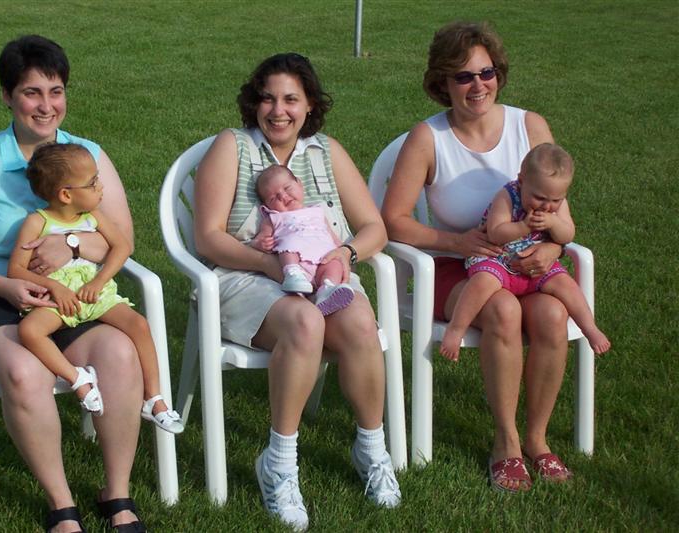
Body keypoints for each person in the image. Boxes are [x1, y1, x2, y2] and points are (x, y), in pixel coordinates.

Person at [0, 35, 148, 532]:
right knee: (23, 371)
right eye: (31, 92)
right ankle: (62, 505)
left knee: (120, 354)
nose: (46, 105)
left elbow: (122, 237)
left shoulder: (87, 156)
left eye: (55, 91)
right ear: (7, 96)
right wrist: (7, 287)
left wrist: (71, 246)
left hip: (74, 293)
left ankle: (117, 492)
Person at [194, 53, 401, 530]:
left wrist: (344, 254)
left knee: (359, 323)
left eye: (291, 99)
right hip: (246, 274)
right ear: (254, 103)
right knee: (305, 322)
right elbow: (208, 238)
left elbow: (374, 228)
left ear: (310, 105)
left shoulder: (327, 152)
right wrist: (270, 263)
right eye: (268, 98)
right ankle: (280, 462)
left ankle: (371, 449)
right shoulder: (232, 146)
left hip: (325, 274)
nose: (278, 110)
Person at [382, 21, 579, 492]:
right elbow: (393, 220)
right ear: (442, 82)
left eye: (486, 73)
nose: (478, 86)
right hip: (455, 268)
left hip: (526, 263)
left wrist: (552, 247)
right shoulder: (428, 138)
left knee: (553, 315)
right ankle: (505, 443)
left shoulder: (529, 126)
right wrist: (458, 242)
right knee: (503, 310)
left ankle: (537, 439)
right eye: (463, 76)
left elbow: (559, 210)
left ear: (498, 74)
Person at [8, 142, 184, 434]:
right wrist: (54, 288)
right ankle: (77, 379)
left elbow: (122, 247)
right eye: (92, 183)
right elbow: (15, 269)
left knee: (139, 325)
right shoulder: (37, 222)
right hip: (59, 300)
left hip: (95, 294)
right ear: (66, 194)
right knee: (29, 331)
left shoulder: (94, 216)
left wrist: (99, 281)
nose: (101, 187)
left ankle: (154, 398)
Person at [440, 143, 611, 360]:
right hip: (498, 258)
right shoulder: (507, 196)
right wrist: (523, 226)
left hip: (536, 266)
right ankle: (456, 329)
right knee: (482, 283)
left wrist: (553, 224)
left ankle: (590, 328)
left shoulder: (557, 204)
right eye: (539, 198)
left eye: (555, 200)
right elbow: (495, 233)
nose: (547, 206)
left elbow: (567, 234)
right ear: (521, 182)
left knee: (566, 285)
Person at [252, 164, 355, 315]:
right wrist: (260, 244)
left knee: (334, 263)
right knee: (289, 245)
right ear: (267, 205)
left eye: (287, 188)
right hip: (298, 264)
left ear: (299, 184)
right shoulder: (275, 218)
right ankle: (293, 274)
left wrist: (341, 252)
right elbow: (259, 239)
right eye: (274, 198)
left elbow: (332, 237)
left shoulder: (317, 212)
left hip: (323, 259)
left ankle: (327, 289)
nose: (283, 197)